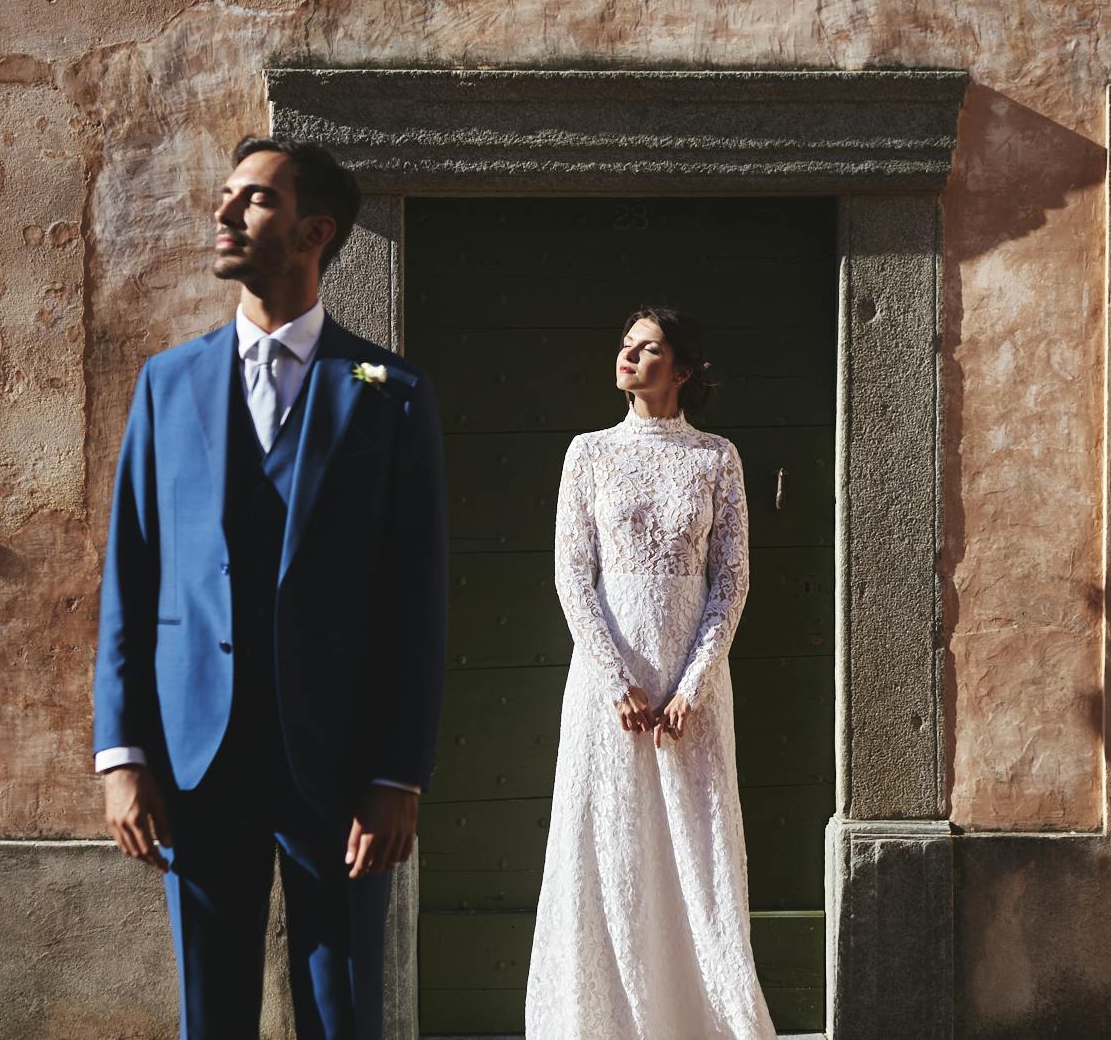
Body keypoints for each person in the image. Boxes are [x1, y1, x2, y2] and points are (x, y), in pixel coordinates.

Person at [90, 135, 448, 1039]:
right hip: (195, 758)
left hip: (337, 761)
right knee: (210, 1009)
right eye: (226, 195)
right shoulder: (167, 384)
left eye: (253, 200)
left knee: (343, 1007)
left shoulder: (389, 391)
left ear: (314, 232)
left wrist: (397, 772)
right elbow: (130, 576)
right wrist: (120, 752)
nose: (223, 213)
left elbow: (417, 600)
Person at [525, 306, 777, 1039]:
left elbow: (730, 582)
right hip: (610, 691)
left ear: (685, 367)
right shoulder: (589, 453)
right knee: (609, 842)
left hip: (691, 692)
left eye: (650, 348)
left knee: (694, 847)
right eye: (625, 346)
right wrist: (615, 680)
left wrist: (692, 686)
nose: (630, 357)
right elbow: (573, 577)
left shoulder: (717, 459)